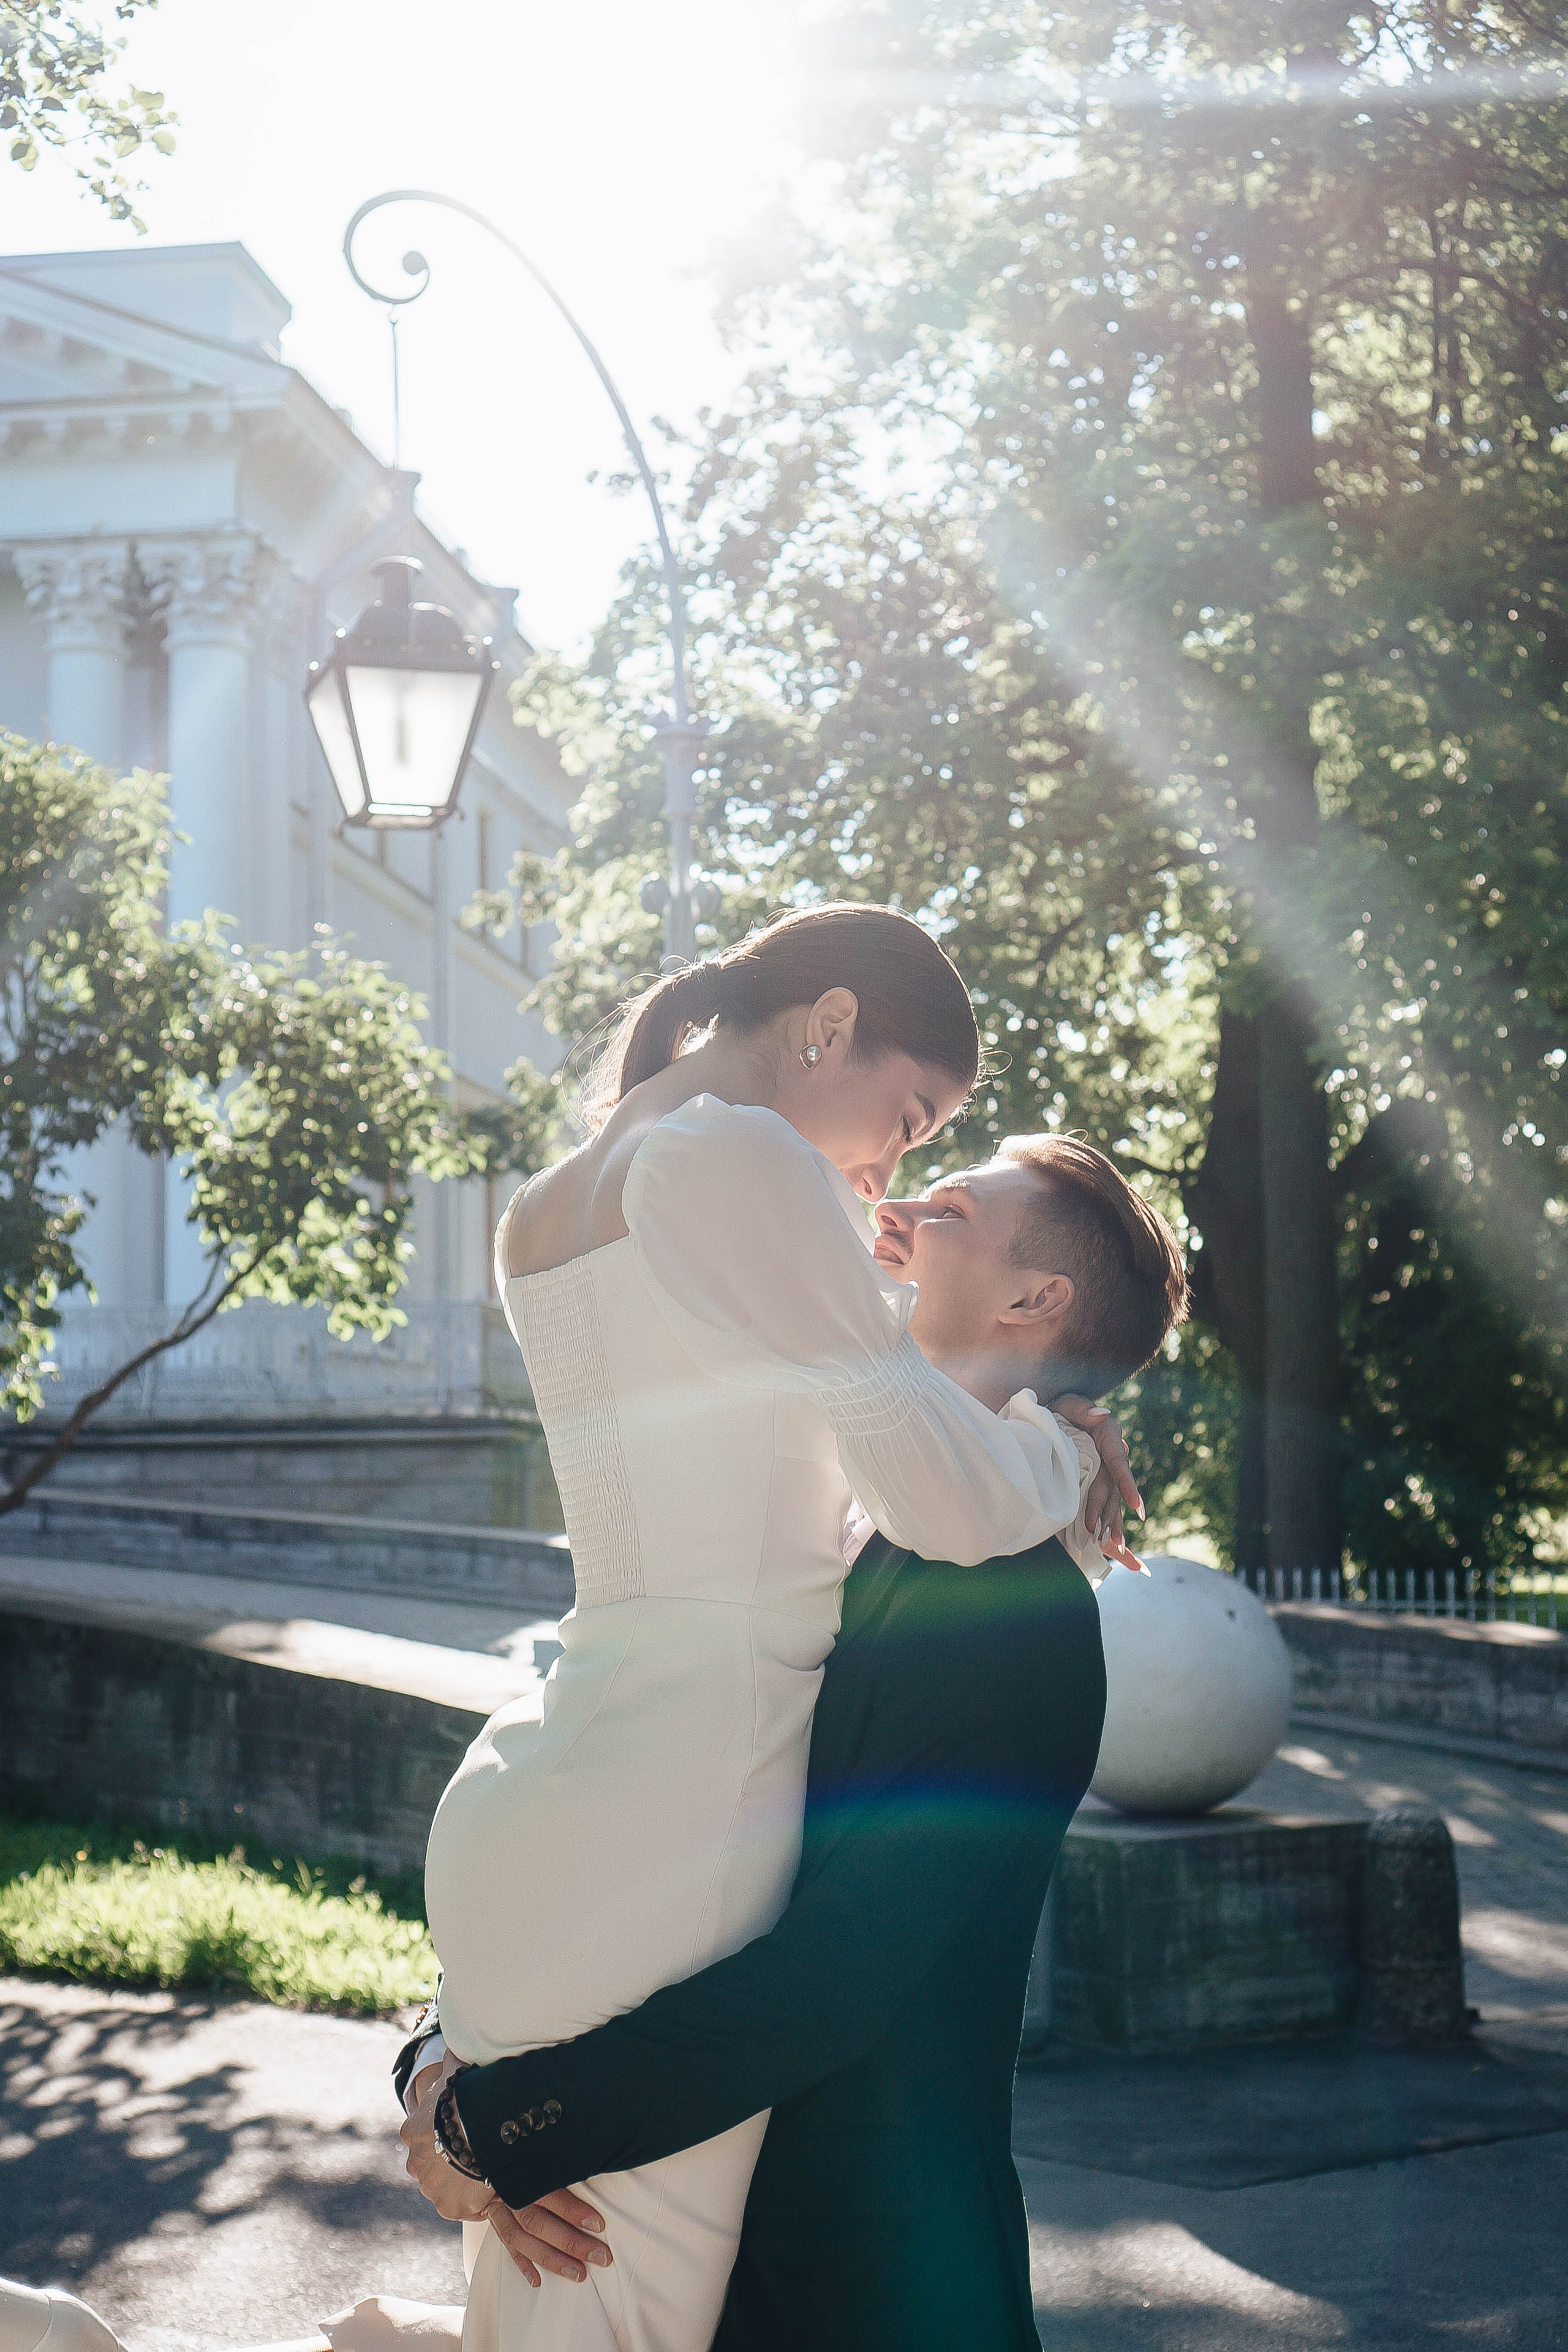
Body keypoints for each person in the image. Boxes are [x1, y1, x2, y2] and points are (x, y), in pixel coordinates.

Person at [408, 907, 1136, 2352]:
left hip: (548, 1784)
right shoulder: (738, 1156)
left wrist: (466, 2094)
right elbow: (927, 1471)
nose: (895, 1173)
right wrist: (1060, 1451)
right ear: (825, 1027)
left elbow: (810, 1381)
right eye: (909, 1117)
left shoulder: (560, 1193)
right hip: (684, 1810)